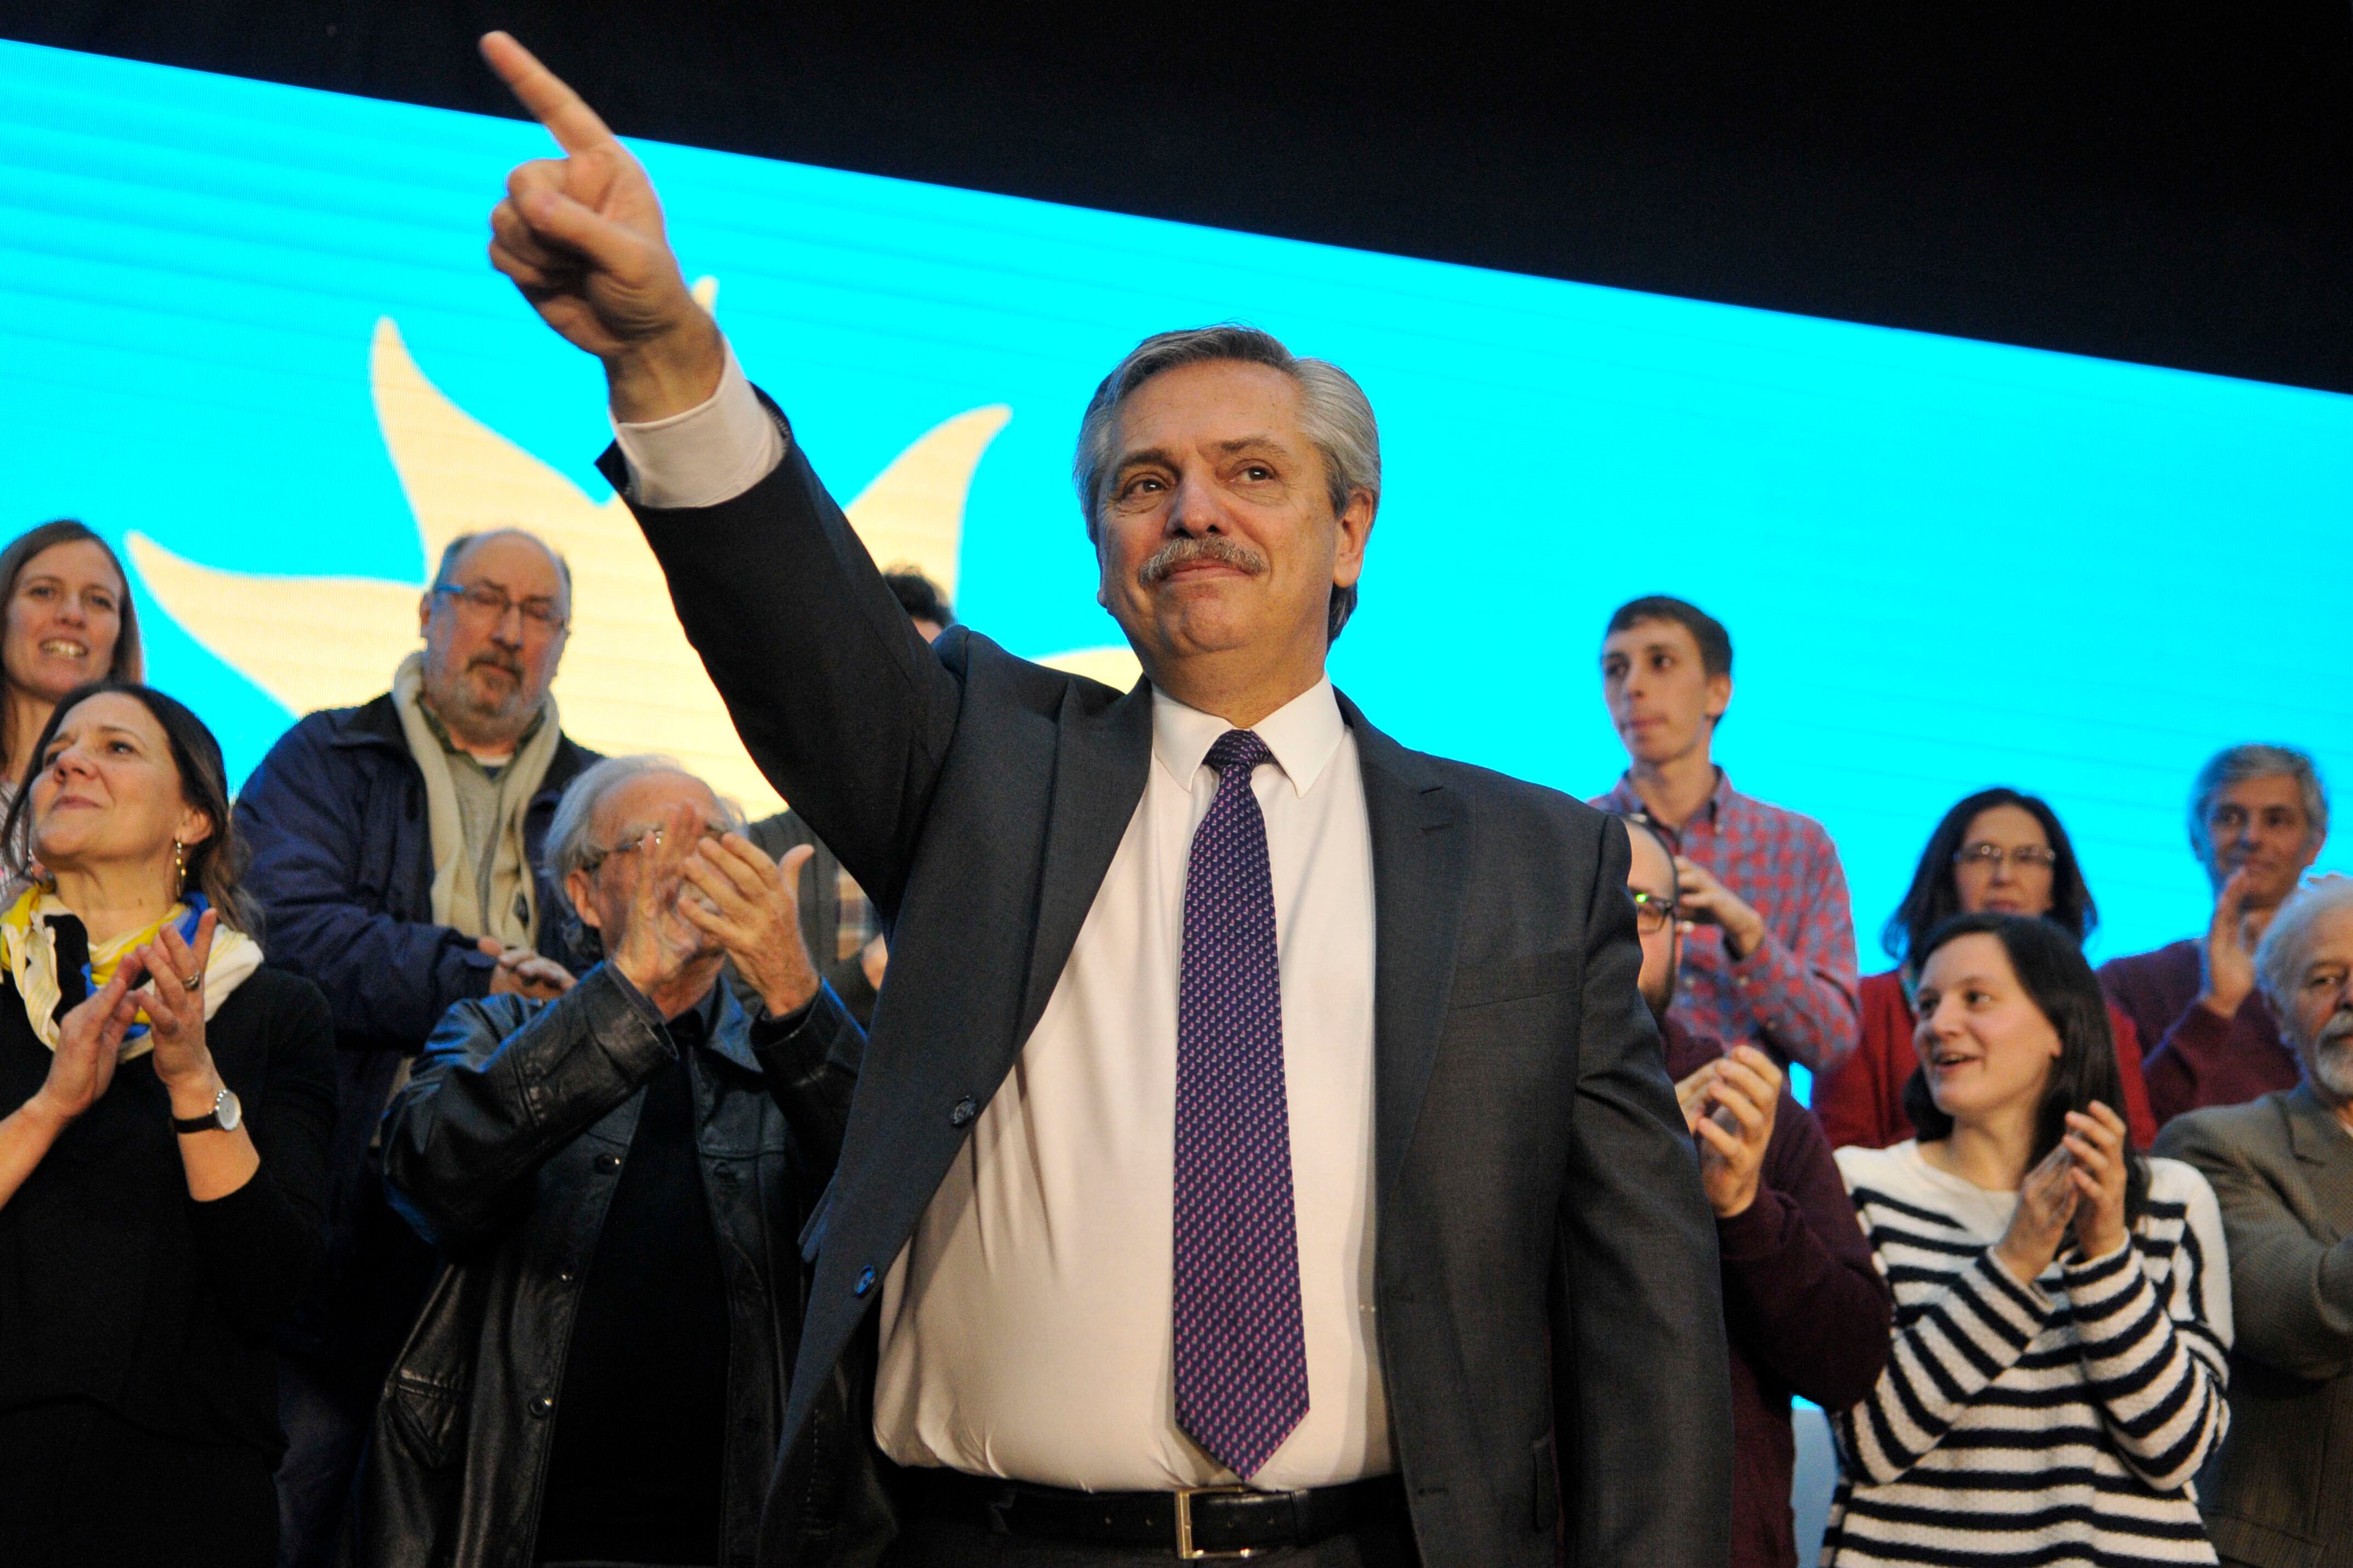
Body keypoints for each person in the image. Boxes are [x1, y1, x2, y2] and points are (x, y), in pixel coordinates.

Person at [479, 30, 1732, 1567]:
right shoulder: (982, 762)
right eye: (1144, 484)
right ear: (1101, 558)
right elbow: (808, 626)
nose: (1193, 508)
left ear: (1350, 534)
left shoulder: (1539, 863)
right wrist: (669, 355)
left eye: (1250, 474)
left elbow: (1643, 1312)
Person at [353, 756, 862, 1567]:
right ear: (585, 895)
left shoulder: (787, 1054)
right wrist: (635, 988)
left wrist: (796, 990)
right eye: (656, 840)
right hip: (511, 1531)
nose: (694, 866)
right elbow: (430, 1174)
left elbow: (885, 1213)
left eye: (718, 844)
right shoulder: (495, 1027)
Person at [234, 528, 599, 1567]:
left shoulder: (603, 796)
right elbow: (281, 925)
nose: (509, 631)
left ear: (563, 643)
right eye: (485, 598)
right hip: (341, 1228)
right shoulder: (327, 754)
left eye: (538, 614)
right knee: (295, 1513)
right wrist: (476, 977)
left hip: (526, 1242)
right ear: (427, 610)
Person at [0, 681, 336, 1567]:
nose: (68, 759)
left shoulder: (277, 1012)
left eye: (117, 747)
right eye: (58, 751)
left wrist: (191, 1074)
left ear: (194, 817)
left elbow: (270, 1283)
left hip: (184, 1493)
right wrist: (51, 1104)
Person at [1822, 912, 2232, 1566]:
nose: (1937, 1025)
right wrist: (2014, 1260)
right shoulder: (1860, 1184)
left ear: (2060, 1029)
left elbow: (2176, 1451)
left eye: (1975, 998)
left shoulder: (2171, 1198)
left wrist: (2104, 1257)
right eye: (1926, 1003)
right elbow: (1873, 1439)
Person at [1622, 815, 1890, 1568]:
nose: (1617, 927)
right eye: (1591, 897)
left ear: (1679, 933)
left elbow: (1848, 1364)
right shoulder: (1479, 1094)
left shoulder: (1750, 1106)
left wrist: (1743, 1209)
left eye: (1644, 905)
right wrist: (1643, 1166)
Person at [2155, 876, 2353, 1567]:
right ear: (2276, 1009)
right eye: (2325, 978)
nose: (2352, 996)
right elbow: (2301, 1312)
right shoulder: (2216, 1144)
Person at [1590, 595, 1861, 1070]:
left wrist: (1746, 932)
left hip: (1748, 1122)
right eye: (1616, 669)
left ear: (1718, 692)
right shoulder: (1581, 835)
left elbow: (1833, 1045)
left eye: (1661, 663)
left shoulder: (1800, 847)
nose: (1633, 686)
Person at [1815, 787, 2158, 1148]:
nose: (2004, 875)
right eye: (1982, 855)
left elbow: (2135, 1152)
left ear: (2054, 889)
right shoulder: (1869, 1005)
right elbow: (1837, 1162)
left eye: (2029, 857)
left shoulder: (2101, 1020)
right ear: (1947, 875)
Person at [739, 565, 955, 1026]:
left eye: (934, 679)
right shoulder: (762, 853)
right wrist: (866, 978)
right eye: (891, 675)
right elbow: (732, 1041)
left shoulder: (984, 852)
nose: (914, 703)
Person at [2102, 744, 2329, 1125]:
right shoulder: (2128, 983)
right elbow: (2126, 1133)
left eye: (2276, 821)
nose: (2251, 837)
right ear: (2196, 839)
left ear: (2315, 844)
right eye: (2229, 818)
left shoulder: (2342, 985)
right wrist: (2214, 1008)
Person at [0, 520, 144, 870]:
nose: (72, 615)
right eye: (44, 592)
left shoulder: (151, 813)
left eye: (98, 601)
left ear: (117, 644)